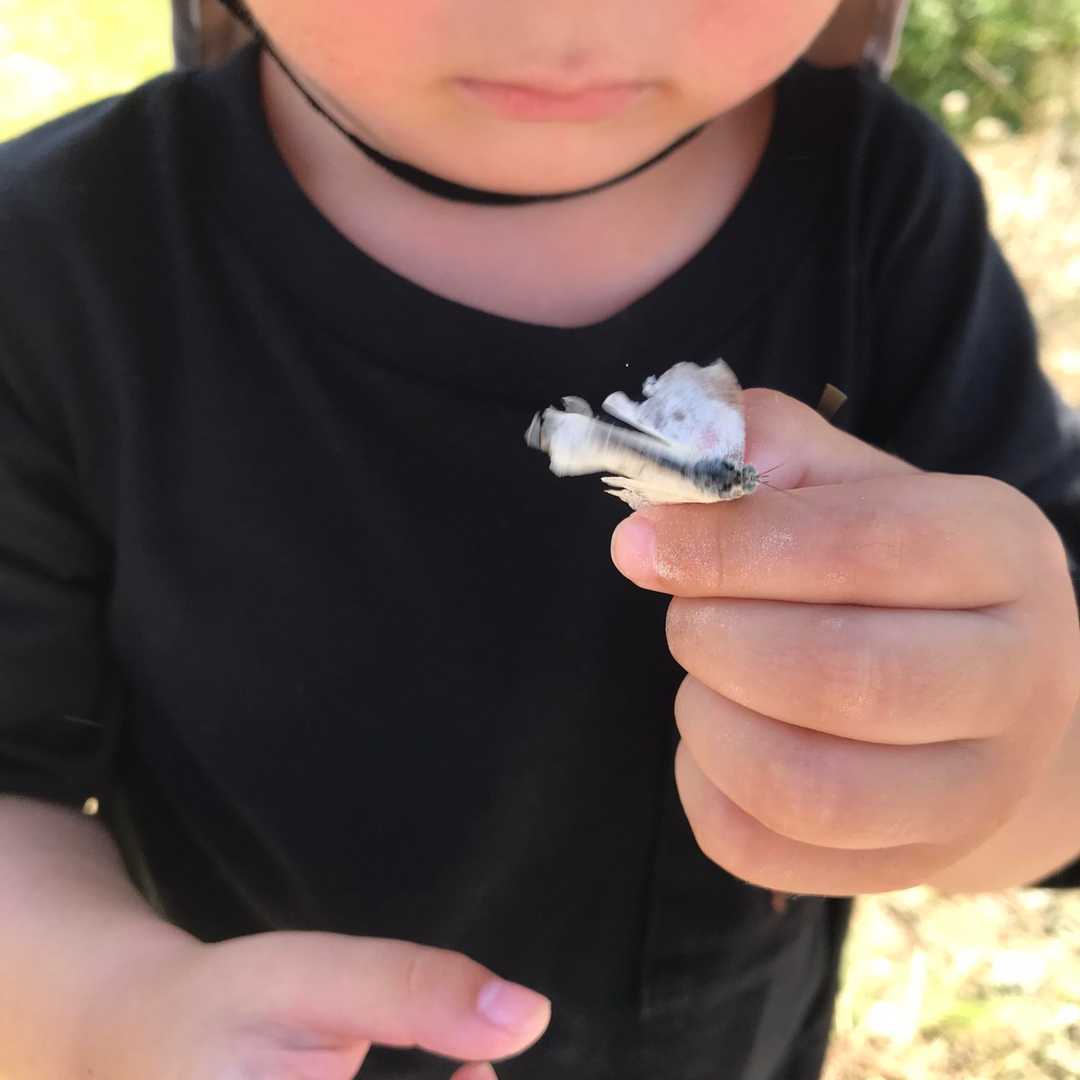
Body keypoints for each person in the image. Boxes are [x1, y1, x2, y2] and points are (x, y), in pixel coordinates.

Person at [1, 2, 1078, 1079]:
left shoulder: (882, 203)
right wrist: (106, 1015)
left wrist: (1008, 752)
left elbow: (1050, 787)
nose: (573, 12)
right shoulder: (55, 264)